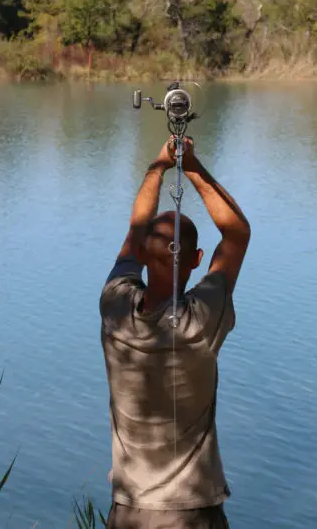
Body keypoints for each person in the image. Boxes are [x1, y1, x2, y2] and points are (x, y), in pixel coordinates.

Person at [100, 136, 251, 529]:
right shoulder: (200, 321)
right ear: (198, 260)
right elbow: (236, 235)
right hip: (191, 512)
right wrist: (193, 166)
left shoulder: (115, 307)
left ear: (145, 255)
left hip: (128, 510)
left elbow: (135, 230)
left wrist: (158, 166)